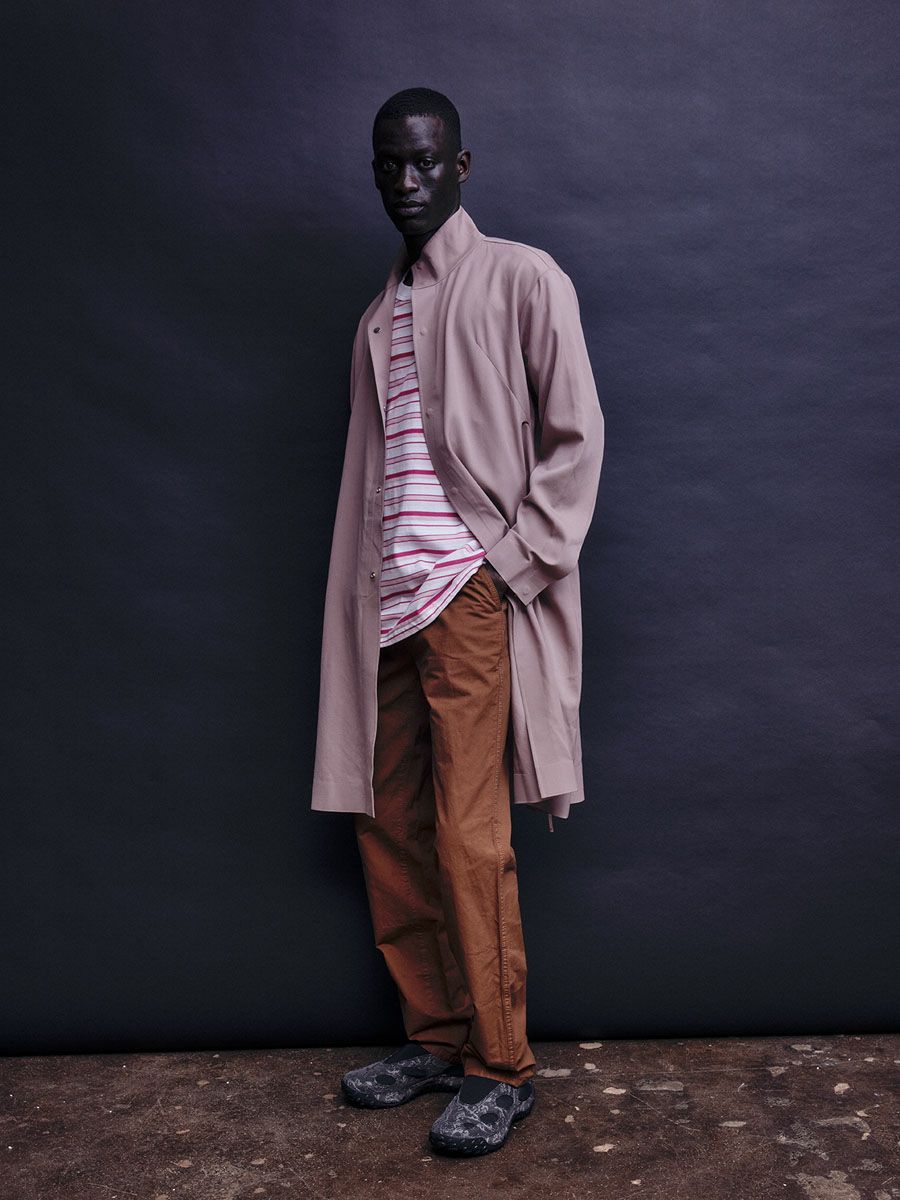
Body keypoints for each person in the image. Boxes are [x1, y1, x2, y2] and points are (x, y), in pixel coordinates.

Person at [311, 87, 605, 1157]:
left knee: (470, 836)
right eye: (390, 164)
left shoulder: (522, 277)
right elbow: (379, 474)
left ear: (463, 166)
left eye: (426, 162)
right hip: (383, 606)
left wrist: (512, 563)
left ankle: (501, 1066)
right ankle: (436, 1038)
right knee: (386, 825)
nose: (408, 182)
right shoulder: (376, 316)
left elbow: (577, 435)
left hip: (471, 598)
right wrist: (364, 595)